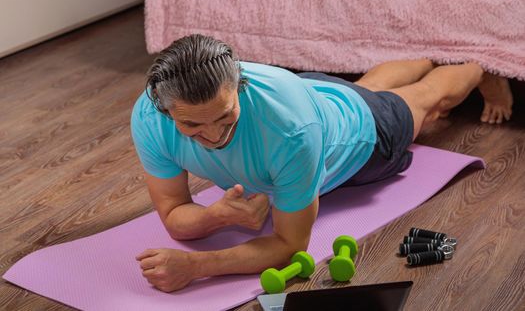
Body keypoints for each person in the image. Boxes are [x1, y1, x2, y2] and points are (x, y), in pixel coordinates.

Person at [131, 34, 484, 292]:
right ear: (163, 109)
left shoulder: (290, 131)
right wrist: (217, 216)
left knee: (426, 99)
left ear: (241, 87)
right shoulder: (150, 115)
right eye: (192, 125)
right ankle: (428, 54)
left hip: (363, 132)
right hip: (314, 93)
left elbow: (289, 245)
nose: (212, 136)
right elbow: (174, 212)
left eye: (225, 117)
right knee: (368, 86)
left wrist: (194, 266)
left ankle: (478, 63)